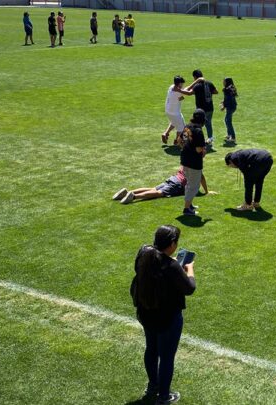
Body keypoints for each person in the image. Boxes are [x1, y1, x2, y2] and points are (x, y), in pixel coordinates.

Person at [131, 225, 196, 404]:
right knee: (166, 357)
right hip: (168, 318)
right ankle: (164, 396)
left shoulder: (144, 254)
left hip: (146, 313)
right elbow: (189, 288)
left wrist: (170, 260)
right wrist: (189, 269)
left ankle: (153, 385)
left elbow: (152, 266)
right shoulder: (172, 266)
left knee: (151, 349)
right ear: (173, 244)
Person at [112, 167, 211, 205]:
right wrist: (206, 192)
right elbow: (201, 177)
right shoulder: (195, 163)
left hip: (174, 178)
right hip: (178, 184)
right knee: (159, 193)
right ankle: (133, 196)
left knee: (153, 188)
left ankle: (128, 191)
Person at [180, 109, 207, 216]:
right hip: (194, 162)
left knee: (189, 184)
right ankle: (187, 209)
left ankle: (189, 204)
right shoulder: (198, 131)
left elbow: (180, 141)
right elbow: (198, 149)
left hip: (184, 160)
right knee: (194, 186)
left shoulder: (187, 127)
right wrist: (204, 150)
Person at [162, 75, 203, 146]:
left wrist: (182, 97)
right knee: (181, 128)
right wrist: (197, 80)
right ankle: (177, 142)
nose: (183, 85)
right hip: (175, 113)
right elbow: (188, 90)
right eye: (182, 83)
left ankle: (165, 133)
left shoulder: (171, 87)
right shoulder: (178, 92)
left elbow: (180, 98)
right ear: (179, 84)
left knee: (174, 122)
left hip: (168, 111)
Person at [190, 70, 218, 145]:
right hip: (210, 108)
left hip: (201, 110)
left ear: (195, 77)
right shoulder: (209, 83)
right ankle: (210, 138)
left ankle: (199, 140)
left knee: (199, 125)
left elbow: (189, 92)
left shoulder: (197, 85)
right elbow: (216, 91)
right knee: (208, 124)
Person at [220, 77, 238, 144]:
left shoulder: (226, 89)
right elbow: (228, 98)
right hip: (233, 106)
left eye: (224, 81)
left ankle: (233, 137)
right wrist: (223, 102)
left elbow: (227, 100)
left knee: (228, 121)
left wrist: (223, 106)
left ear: (227, 82)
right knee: (226, 120)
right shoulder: (232, 88)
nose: (223, 82)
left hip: (230, 107)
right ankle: (229, 135)